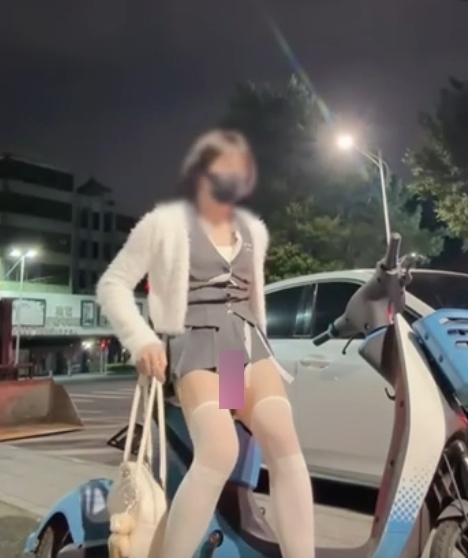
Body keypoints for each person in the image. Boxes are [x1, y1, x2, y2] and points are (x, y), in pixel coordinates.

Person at [96, 129, 315, 558]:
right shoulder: (164, 225)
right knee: (219, 449)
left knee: (283, 443)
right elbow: (113, 285)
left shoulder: (251, 231)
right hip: (195, 341)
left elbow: (250, 301)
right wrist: (142, 340)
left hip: (237, 350)